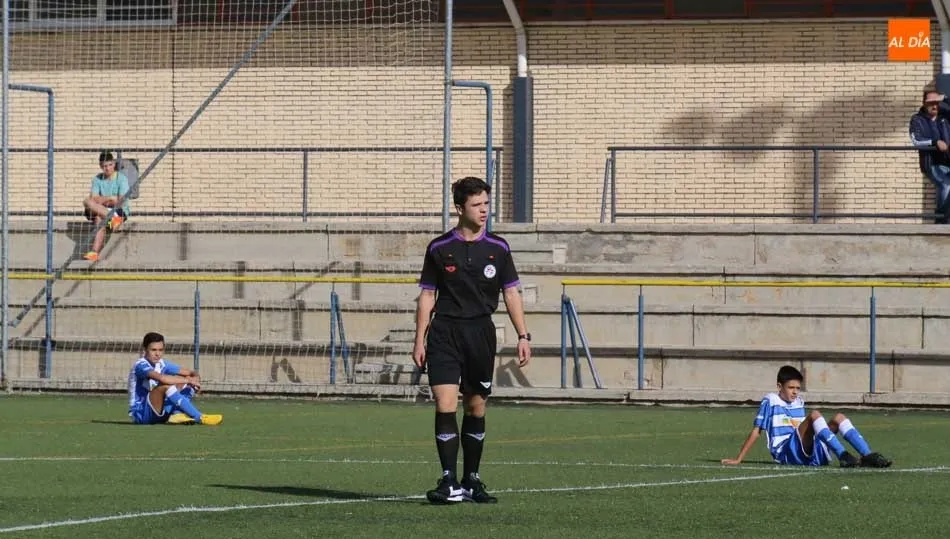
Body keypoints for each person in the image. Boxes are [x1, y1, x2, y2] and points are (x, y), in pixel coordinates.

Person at [413, 176, 531, 504]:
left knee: (475, 405)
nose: (484, 211)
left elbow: (511, 292)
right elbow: (426, 295)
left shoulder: (498, 247)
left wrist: (523, 335)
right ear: (460, 207)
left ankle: (472, 480)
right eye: (477, 205)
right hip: (445, 333)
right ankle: (449, 481)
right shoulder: (439, 248)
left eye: (486, 204)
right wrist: (419, 339)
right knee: (445, 402)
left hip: (480, 333)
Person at [721, 365, 891, 468]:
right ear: (779, 386)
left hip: (804, 452)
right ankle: (843, 456)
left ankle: (868, 455)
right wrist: (739, 459)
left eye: (797, 388)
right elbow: (757, 431)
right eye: (790, 387)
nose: (795, 391)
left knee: (839, 417)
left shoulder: (799, 402)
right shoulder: (770, 401)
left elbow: (809, 432)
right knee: (814, 415)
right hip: (786, 453)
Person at [127, 331, 222, 426]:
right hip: (141, 414)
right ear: (145, 350)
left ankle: (177, 414)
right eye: (153, 350)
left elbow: (190, 373)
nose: (157, 354)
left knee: (187, 382)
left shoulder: (162, 363)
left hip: (160, 412)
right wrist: (189, 380)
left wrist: (195, 378)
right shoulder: (140, 365)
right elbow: (162, 379)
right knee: (166, 386)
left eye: (160, 350)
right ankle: (200, 417)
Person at [910, 91, 950, 224]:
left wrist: (945, 98)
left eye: (936, 103)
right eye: (931, 103)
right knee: (945, 184)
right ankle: (942, 219)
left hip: (948, 161)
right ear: (923, 104)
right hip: (932, 163)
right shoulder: (917, 119)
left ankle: (943, 216)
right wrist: (934, 142)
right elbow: (916, 140)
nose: (934, 106)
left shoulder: (945, 117)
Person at [82, 151, 131, 261]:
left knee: (98, 216)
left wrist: (102, 200)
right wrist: (110, 198)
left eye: (110, 165)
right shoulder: (97, 179)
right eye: (104, 166)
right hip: (109, 214)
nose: (108, 168)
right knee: (87, 202)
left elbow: (121, 201)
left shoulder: (121, 179)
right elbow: (93, 199)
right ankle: (94, 252)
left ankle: (94, 252)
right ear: (100, 166)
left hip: (119, 211)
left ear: (114, 164)